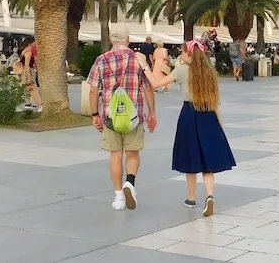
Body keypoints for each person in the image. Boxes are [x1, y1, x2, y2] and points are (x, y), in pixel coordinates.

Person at [143, 39, 234, 216]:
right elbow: (215, 101)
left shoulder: (183, 70)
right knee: (207, 158)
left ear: (189, 54)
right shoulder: (209, 71)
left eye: (183, 52)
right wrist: (220, 122)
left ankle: (191, 198)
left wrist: (145, 67)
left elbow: (155, 84)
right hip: (208, 114)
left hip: (190, 114)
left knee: (190, 155)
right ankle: (210, 195)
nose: (180, 54)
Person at [88, 30, 156, 212]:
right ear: (128, 39)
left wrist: (95, 115)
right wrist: (152, 113)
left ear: (111, 39)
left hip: (111, 117)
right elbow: (148, 88)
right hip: (135, 115)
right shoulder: (138, 59)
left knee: (116, 155)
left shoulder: (101, 60)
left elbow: (93, 90)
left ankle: (119, 196)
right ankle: (130, 182)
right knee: (132, 154)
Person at [22, 39, 41, 110]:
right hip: (28, 72)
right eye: (34, 42)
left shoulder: (24, 51)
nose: (35, 44)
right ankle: (40, 105)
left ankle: (28, 103)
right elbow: (27, 65)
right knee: (34, 89)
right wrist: (29, 77)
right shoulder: (29, 53)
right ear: (30, 43)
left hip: (25, 72)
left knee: (28, 88)